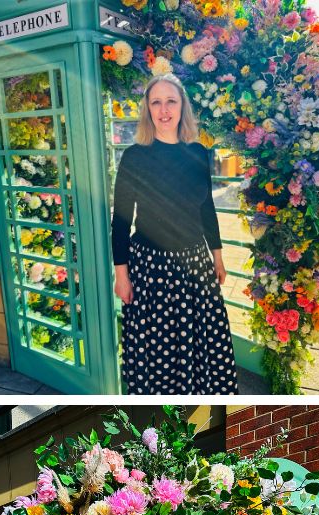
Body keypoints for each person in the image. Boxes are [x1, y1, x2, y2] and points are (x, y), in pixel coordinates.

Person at [111, 73, 239, 394]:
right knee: (158, 350)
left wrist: (218, 257)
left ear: (183, 107)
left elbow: (206, 207)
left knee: (204, 346)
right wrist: (121, 275)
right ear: (147, 109)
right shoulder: (135, 157)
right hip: (151, 269)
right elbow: (121, 221)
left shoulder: (198, 153)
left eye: (171, 101)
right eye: (156, 102)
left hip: (196, 264)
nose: (164, 109)